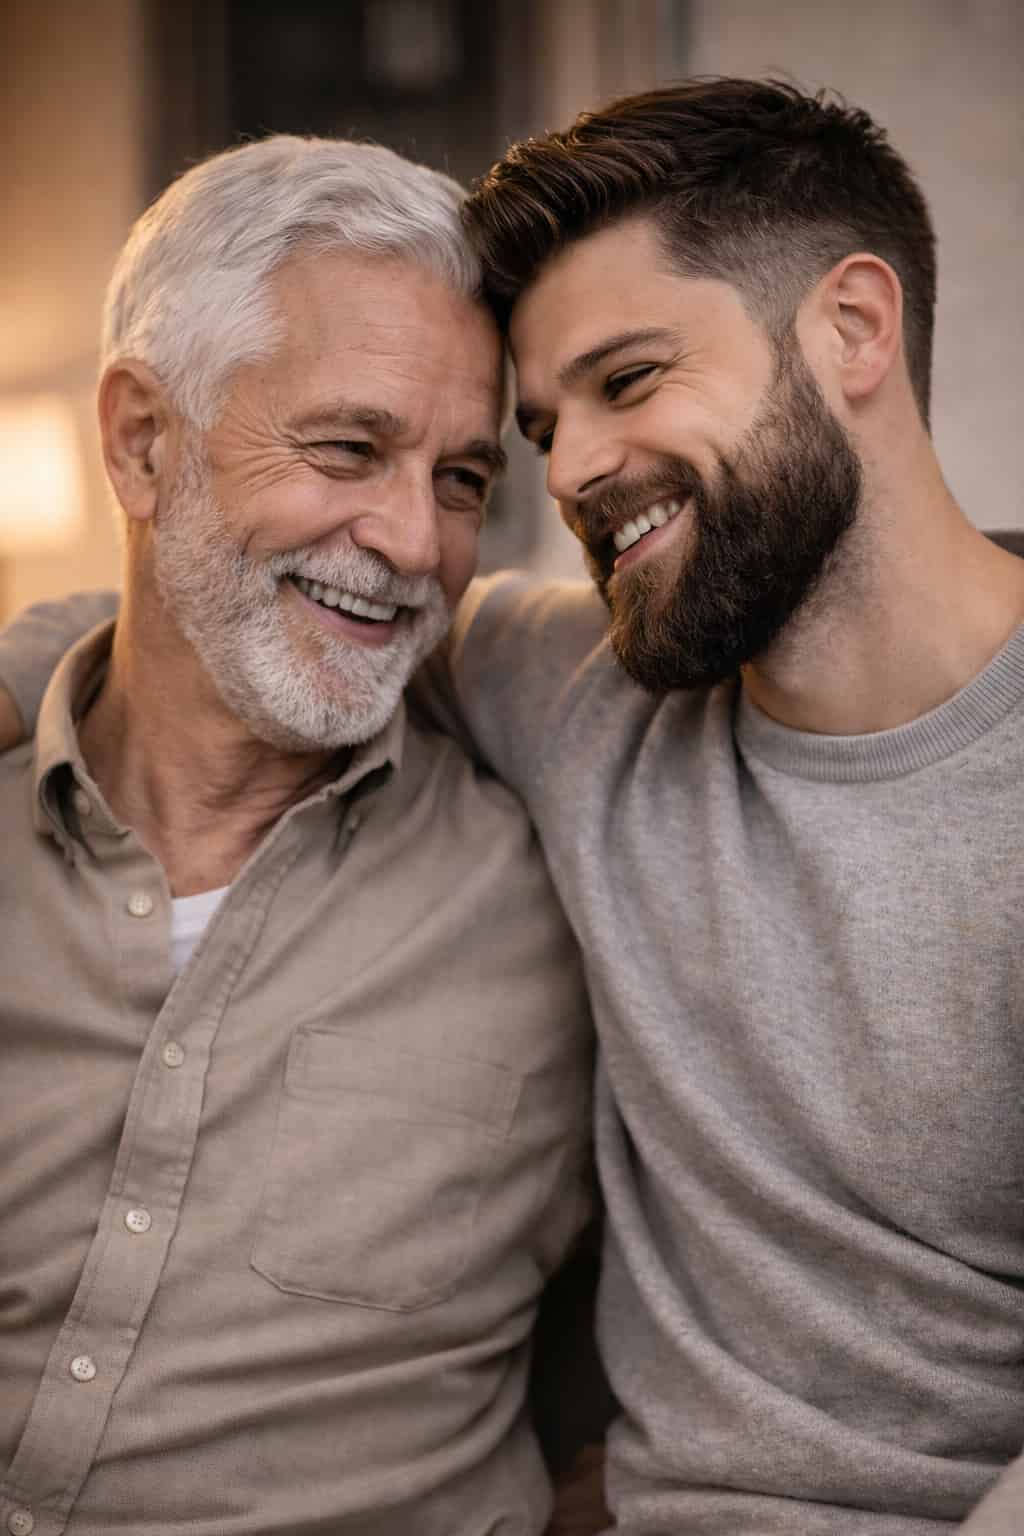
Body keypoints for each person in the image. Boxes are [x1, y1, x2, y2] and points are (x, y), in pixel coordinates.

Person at [4, 79, 1023, 1535]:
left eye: (629, 379)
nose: (583, 472)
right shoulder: (584, 699)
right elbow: (237, 619)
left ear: (854, 329)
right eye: (539, 435)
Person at [0, 134, 601, 1536]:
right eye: (348, 447)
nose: (410, 541)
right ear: (144, 442)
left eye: (461, 481)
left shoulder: (563, 882)